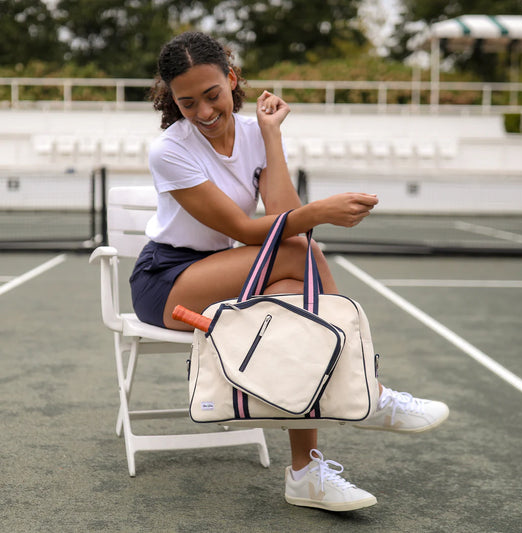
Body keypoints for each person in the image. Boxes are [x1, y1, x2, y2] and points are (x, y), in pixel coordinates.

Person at [130, 31, 449, 512]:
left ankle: (306, 472)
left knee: (297, 295)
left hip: (227, 269)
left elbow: (280, 213)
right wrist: (320, 211)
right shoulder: (170, 151)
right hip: (168, 281)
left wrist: (271, 135)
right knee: (300, 256)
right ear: (173, 101)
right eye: (187, 102)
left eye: (212, 95)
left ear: (232, 78)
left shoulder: (257, 132)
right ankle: (367, 388)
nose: (204, 112)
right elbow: (248, 228)